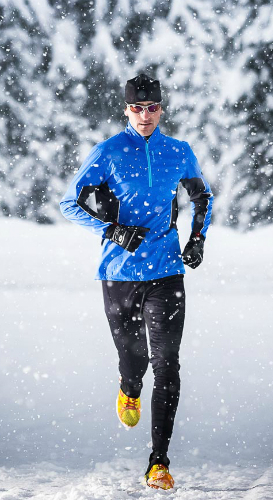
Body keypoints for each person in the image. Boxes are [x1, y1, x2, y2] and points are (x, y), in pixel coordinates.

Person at [59, 73, 213, 490]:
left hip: (166, 272)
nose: (145, 116)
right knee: (137, 363)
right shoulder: (108, 152)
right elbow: (68, 203)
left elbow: (204, 197)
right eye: (137, 108)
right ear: (126, 109)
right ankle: (129, 386)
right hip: (119, 274)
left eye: (153, 108)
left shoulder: (178, 152)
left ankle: (158, 462)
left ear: (162, 109)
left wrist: (197, 240)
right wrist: (111, 231)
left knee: (167, 364)